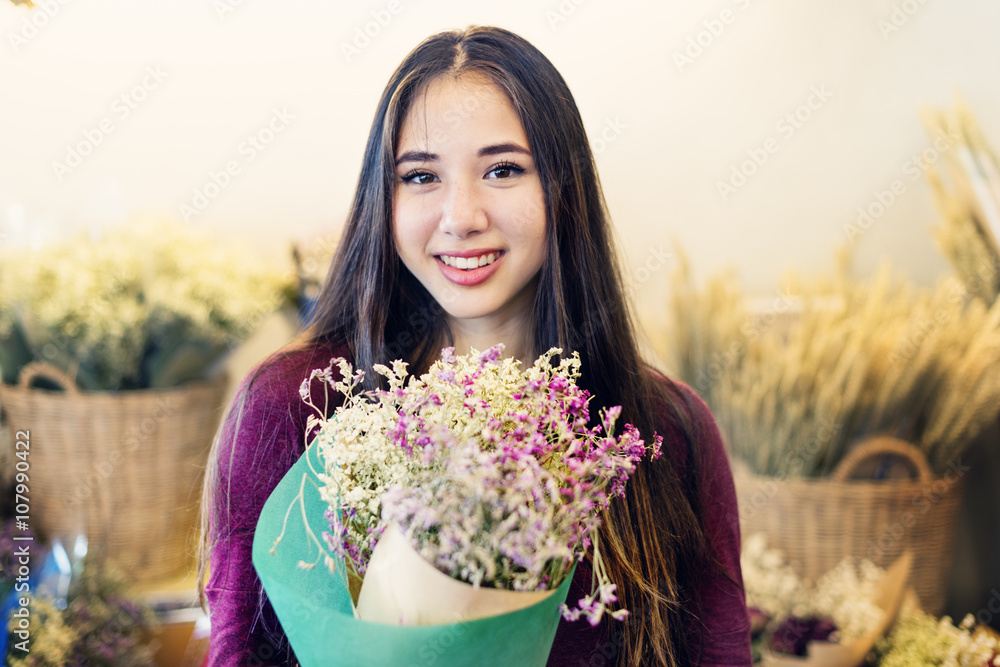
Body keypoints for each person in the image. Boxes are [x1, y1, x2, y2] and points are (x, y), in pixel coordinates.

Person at [198, 25, 751, 667]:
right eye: (421, 177)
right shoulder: (292, 406)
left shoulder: (667, 429)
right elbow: (240, 652)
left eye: (503, 169)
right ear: (385, 199)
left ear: (563, 188)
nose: (461, 215)